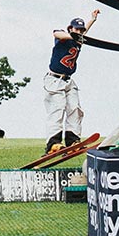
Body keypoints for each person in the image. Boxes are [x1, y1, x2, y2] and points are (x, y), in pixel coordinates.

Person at [43, 11, 98, 153]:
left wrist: (92, 20)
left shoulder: (79, 41)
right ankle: (53, 143)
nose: (79, 32)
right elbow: (56, 33)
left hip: (68, 80)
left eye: (81, 30)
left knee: (75, 109)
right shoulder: (64, 37)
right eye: (76, 29)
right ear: (70, 28)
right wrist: (71, 35)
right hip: (54, 80)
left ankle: (72, 140)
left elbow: (83, 34)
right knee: (57, 109)